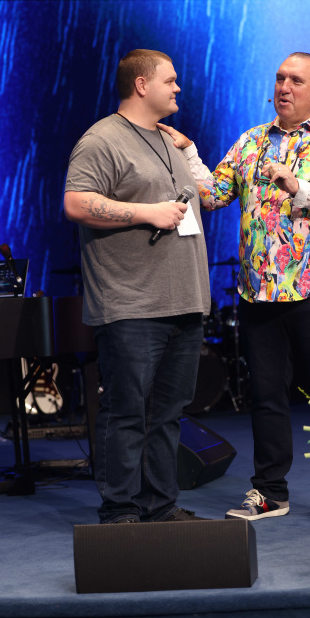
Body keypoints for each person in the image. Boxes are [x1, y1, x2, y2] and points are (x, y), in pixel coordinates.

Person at [158, 52, 310, 525]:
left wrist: (299, 186)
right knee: (267, 397)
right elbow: (213, 195)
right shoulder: (251, 141)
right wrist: (188, 153)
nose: (284, 87)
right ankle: (270, 491)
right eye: (279, 78)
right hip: (259, 293)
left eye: (296, 80)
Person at [63, 49, 211, 524]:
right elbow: (77, 203)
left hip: (183, 301)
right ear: (142, 85)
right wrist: (147, 212)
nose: (178, 88)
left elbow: (207, 196)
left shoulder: (169, 140)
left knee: (167, 413)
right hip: (132, 303)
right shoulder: (102, 139)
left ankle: (159, 506)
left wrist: (190, 151)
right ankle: (121, 511)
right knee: (127, 411)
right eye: (170, 80)